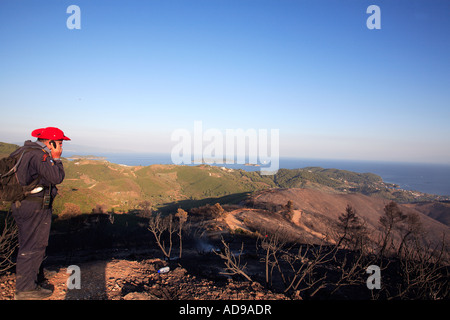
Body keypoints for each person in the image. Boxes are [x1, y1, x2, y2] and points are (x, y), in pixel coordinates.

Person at [10, 127, 70, 300]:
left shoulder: (24, 150)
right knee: (33, 245)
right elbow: (56, 177)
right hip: (34, 206)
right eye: (59, 143)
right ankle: (26, 289)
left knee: (28, 243)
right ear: (50, 142)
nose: (61, 146)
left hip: (23, 204)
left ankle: (32, 280)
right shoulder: (40, 155)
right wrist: (57, 159)